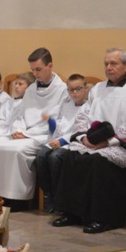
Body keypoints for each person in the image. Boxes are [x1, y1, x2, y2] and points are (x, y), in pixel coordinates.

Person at [52, 49, 126, 233]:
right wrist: (84, 138)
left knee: (98, 160)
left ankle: (104, 218)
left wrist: (109, 143)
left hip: (123, 146)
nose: (109, 67)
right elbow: (83, 116)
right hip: (93, 142)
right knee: (71, 155)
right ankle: (72, 213)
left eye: (114, 63)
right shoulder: (98, 89)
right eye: (106, 64)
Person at [0, 48, 68, 203]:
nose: (35, 74)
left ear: (50, 65)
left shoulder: (62, 90)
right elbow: (20, 113)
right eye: (32, 70)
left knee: (17, 151)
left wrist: (27, 134)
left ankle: (17, 200)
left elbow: (56, 120)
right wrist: (19, 130)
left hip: (42, 136)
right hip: (24, 132)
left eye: (38, 69)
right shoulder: (31, 89)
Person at [35, 74, 90, 212]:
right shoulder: (66, 104)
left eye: (78, 89)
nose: (75, 93)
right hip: (59, 139)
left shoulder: (90, 107)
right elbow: (60, 124)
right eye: (71, 90)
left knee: (55, 158)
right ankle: (48, 194)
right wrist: (51, 121)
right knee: (41, 156)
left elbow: (82, 130)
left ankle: (59, 197)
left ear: (86, 88)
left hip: (76, 142)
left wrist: (62, 141)